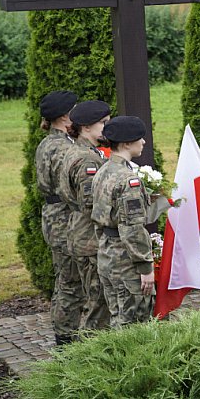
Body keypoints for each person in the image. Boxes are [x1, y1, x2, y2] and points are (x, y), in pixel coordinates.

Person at [91, 116, 155, 326]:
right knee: (134, 324)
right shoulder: (128, 180)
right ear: (126, 143)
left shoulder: (103, 171)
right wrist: (145, 268)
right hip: (127, 262)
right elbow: (132, 229)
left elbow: (98, 218)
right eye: (139, 138)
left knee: (118, 317)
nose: (143, 142)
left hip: (108, 255)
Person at [58, 100, 112, 331]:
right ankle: (94, 358)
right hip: (90, 239)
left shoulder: (84, 151)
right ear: (86, 127)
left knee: (97, 301)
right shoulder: (87, 160)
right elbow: (91, 204)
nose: (107, 128)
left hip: (84, 235)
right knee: (98, 304)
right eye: (103, 123)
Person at [35, 89, 84, 345]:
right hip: (65, 219)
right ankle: (65, 339)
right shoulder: (63, 148)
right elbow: (73, 188)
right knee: (70, 282)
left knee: (65, 278)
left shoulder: (48, 143)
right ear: (66, 117)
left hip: (54, 217)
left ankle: (65, 333)